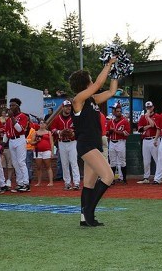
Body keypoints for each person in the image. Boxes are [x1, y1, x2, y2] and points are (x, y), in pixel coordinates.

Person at [69, 57, 118, 227]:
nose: (92, 80)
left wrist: (115, 73)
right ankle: (89, 211)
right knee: (108, 176)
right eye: (89, 78)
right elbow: (98, 84)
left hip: (94, 144)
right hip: (86, 145)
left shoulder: (92, 100)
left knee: (89, 184)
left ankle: (84, 218)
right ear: (85, 82)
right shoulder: (78, 100)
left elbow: (111, 92)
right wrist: (108, 64)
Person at [50, 100, 81, 190]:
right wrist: (60, 132)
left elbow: (79, 129)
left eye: (69, 106)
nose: (68, 108)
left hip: (72, 143)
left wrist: (73, 132)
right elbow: (52, 129)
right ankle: (67, 183)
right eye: (66, 106)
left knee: (74, 163)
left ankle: (76, 183)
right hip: (62, 143)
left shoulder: (74, 117)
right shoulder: (57, 118)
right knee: (64, 164)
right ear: (62, 107)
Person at [5, 98, 30, 192]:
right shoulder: (8, 120)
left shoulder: (23, 116)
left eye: (13, 105)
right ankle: (19, 183)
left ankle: (26, 183)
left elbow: (20, 129)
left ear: (18, 106)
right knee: (15, 163)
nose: (11, 107)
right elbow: (6, 132)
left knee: (21, 162)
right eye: (10, 105)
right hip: (11, 140)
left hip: (20, 139)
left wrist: (12, 118)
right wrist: (4, 143)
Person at [107, 105, 131, 184]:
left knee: (122, 161)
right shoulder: (111, 121)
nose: (119, 113)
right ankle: (112, 179)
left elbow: (127, 133)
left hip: (120, 142)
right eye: (117, 111)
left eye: (120, 111)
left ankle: (124, 179)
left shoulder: (125, 121)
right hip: (112, 142)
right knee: (112, 161)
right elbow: (107, 133)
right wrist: (111, 131)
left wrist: (116, 131)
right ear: (114, 112)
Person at [136, 101, 159, 184]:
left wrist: (148, 118)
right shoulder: (142, 117)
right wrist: (148, 125)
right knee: (146, 160)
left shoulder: (157, 116)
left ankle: (157, 178)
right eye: (147, 107)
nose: (149, 109)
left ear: (153, 107)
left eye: (150, 107)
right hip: (145, 140)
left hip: (154, 140)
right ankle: (146, 177)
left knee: (157, 159)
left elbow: (154, 125)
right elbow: (140, 129)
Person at [31, 120, 54, 186]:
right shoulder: (35, 132)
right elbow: (32, 142)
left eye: (43, 123)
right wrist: (36, 141)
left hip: (47, 150)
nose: (42, 124)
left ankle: (51, 182)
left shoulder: (48, 132)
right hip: (38, 151)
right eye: (41, 123)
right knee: (38, 167)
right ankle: (39, 182)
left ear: (46, 125)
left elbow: (51, 143)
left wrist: (52, 152)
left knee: (48, 166)